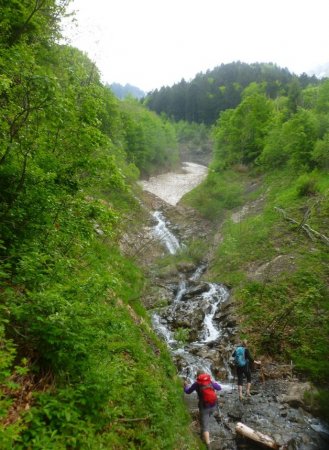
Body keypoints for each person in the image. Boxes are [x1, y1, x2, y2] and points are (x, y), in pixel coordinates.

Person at [184, 370, 221, 450]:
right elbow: (219, 388)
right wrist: (214, 382)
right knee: (205, 421)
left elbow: (187, 392)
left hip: (204, 407)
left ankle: (208, 446)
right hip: (213, 406)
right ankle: (202, 435)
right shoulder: (210, 381)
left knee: (205, 426)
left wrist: (186, 386)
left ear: (197, 376)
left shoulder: (197, 383)